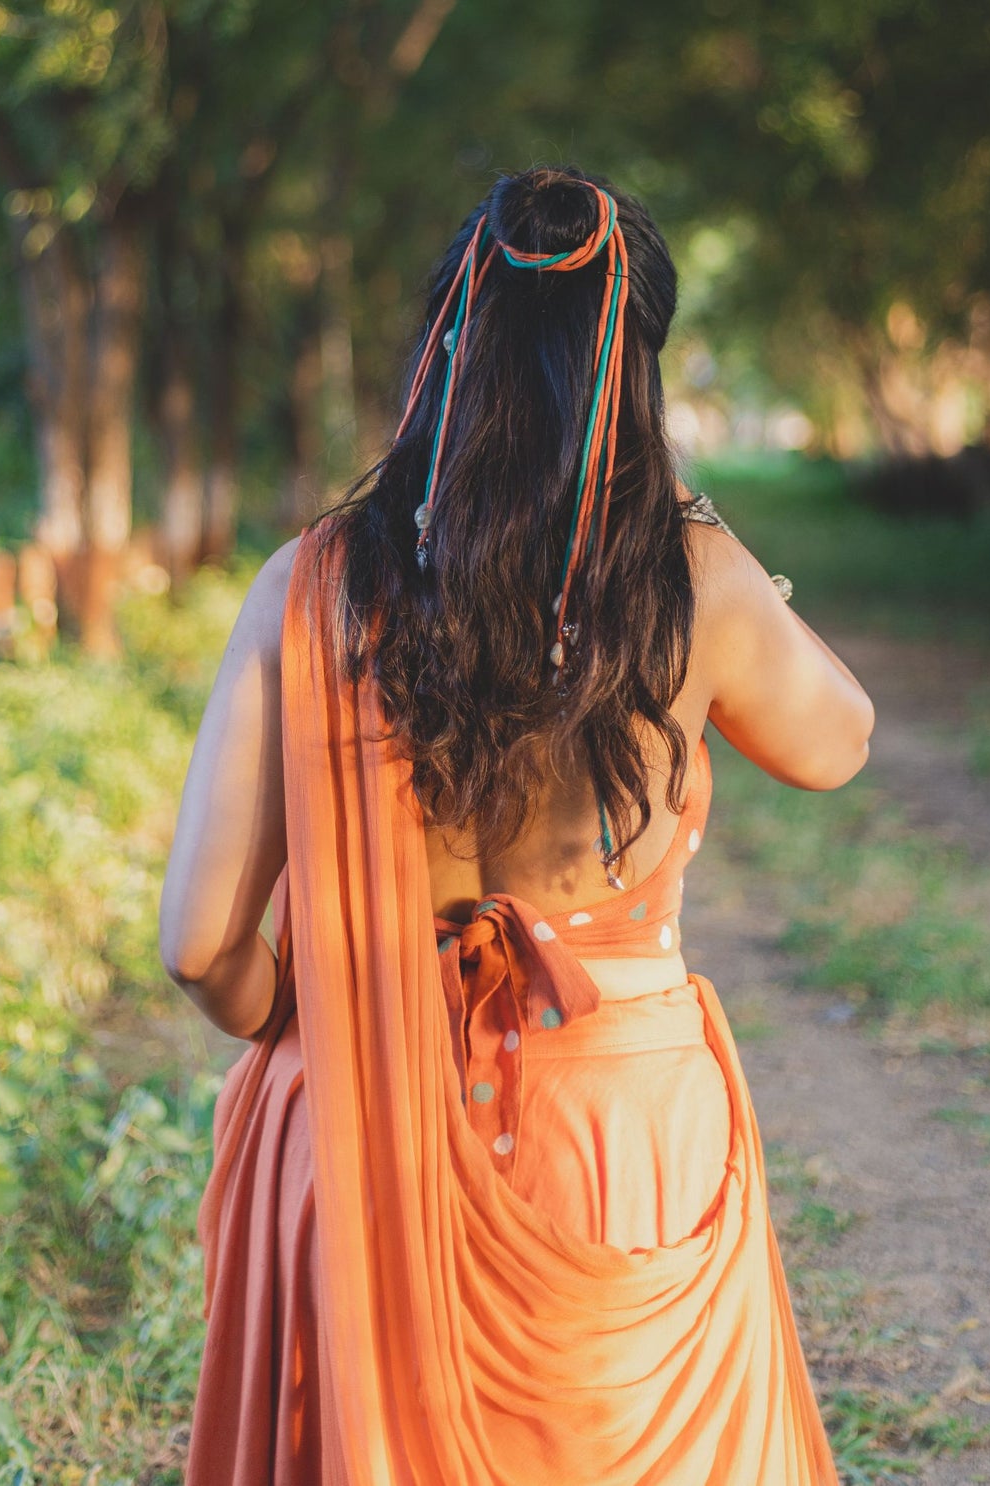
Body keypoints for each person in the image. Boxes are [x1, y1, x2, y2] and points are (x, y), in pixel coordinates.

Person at [159, 167, 874, 1485]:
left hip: (358, 1115)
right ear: (636, 366)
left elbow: (201, 944)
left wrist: (320, 1019)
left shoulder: (309, 583)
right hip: (614, 1120)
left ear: (443, 350)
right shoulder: (685, 578)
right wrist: (703, 534)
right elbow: (838, 741)